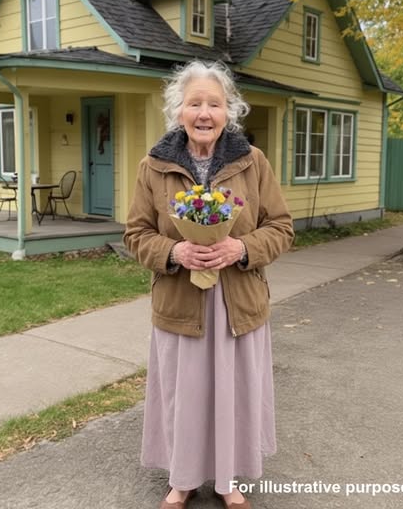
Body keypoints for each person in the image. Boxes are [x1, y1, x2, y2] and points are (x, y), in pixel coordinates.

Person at [123, 60, 294, 509]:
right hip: (181, 303)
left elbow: (281, 227)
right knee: (185, 395)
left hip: (238, 303)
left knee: (232, 394)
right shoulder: (154, 166)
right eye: (194, 103)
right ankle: (181, 480)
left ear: (229, 111)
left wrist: (241, 248)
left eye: (214, 104)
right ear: (178, 110)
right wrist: (174, 252)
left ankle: (227, 481)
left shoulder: (253, 162)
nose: (204, 113)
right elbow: (136, 234)